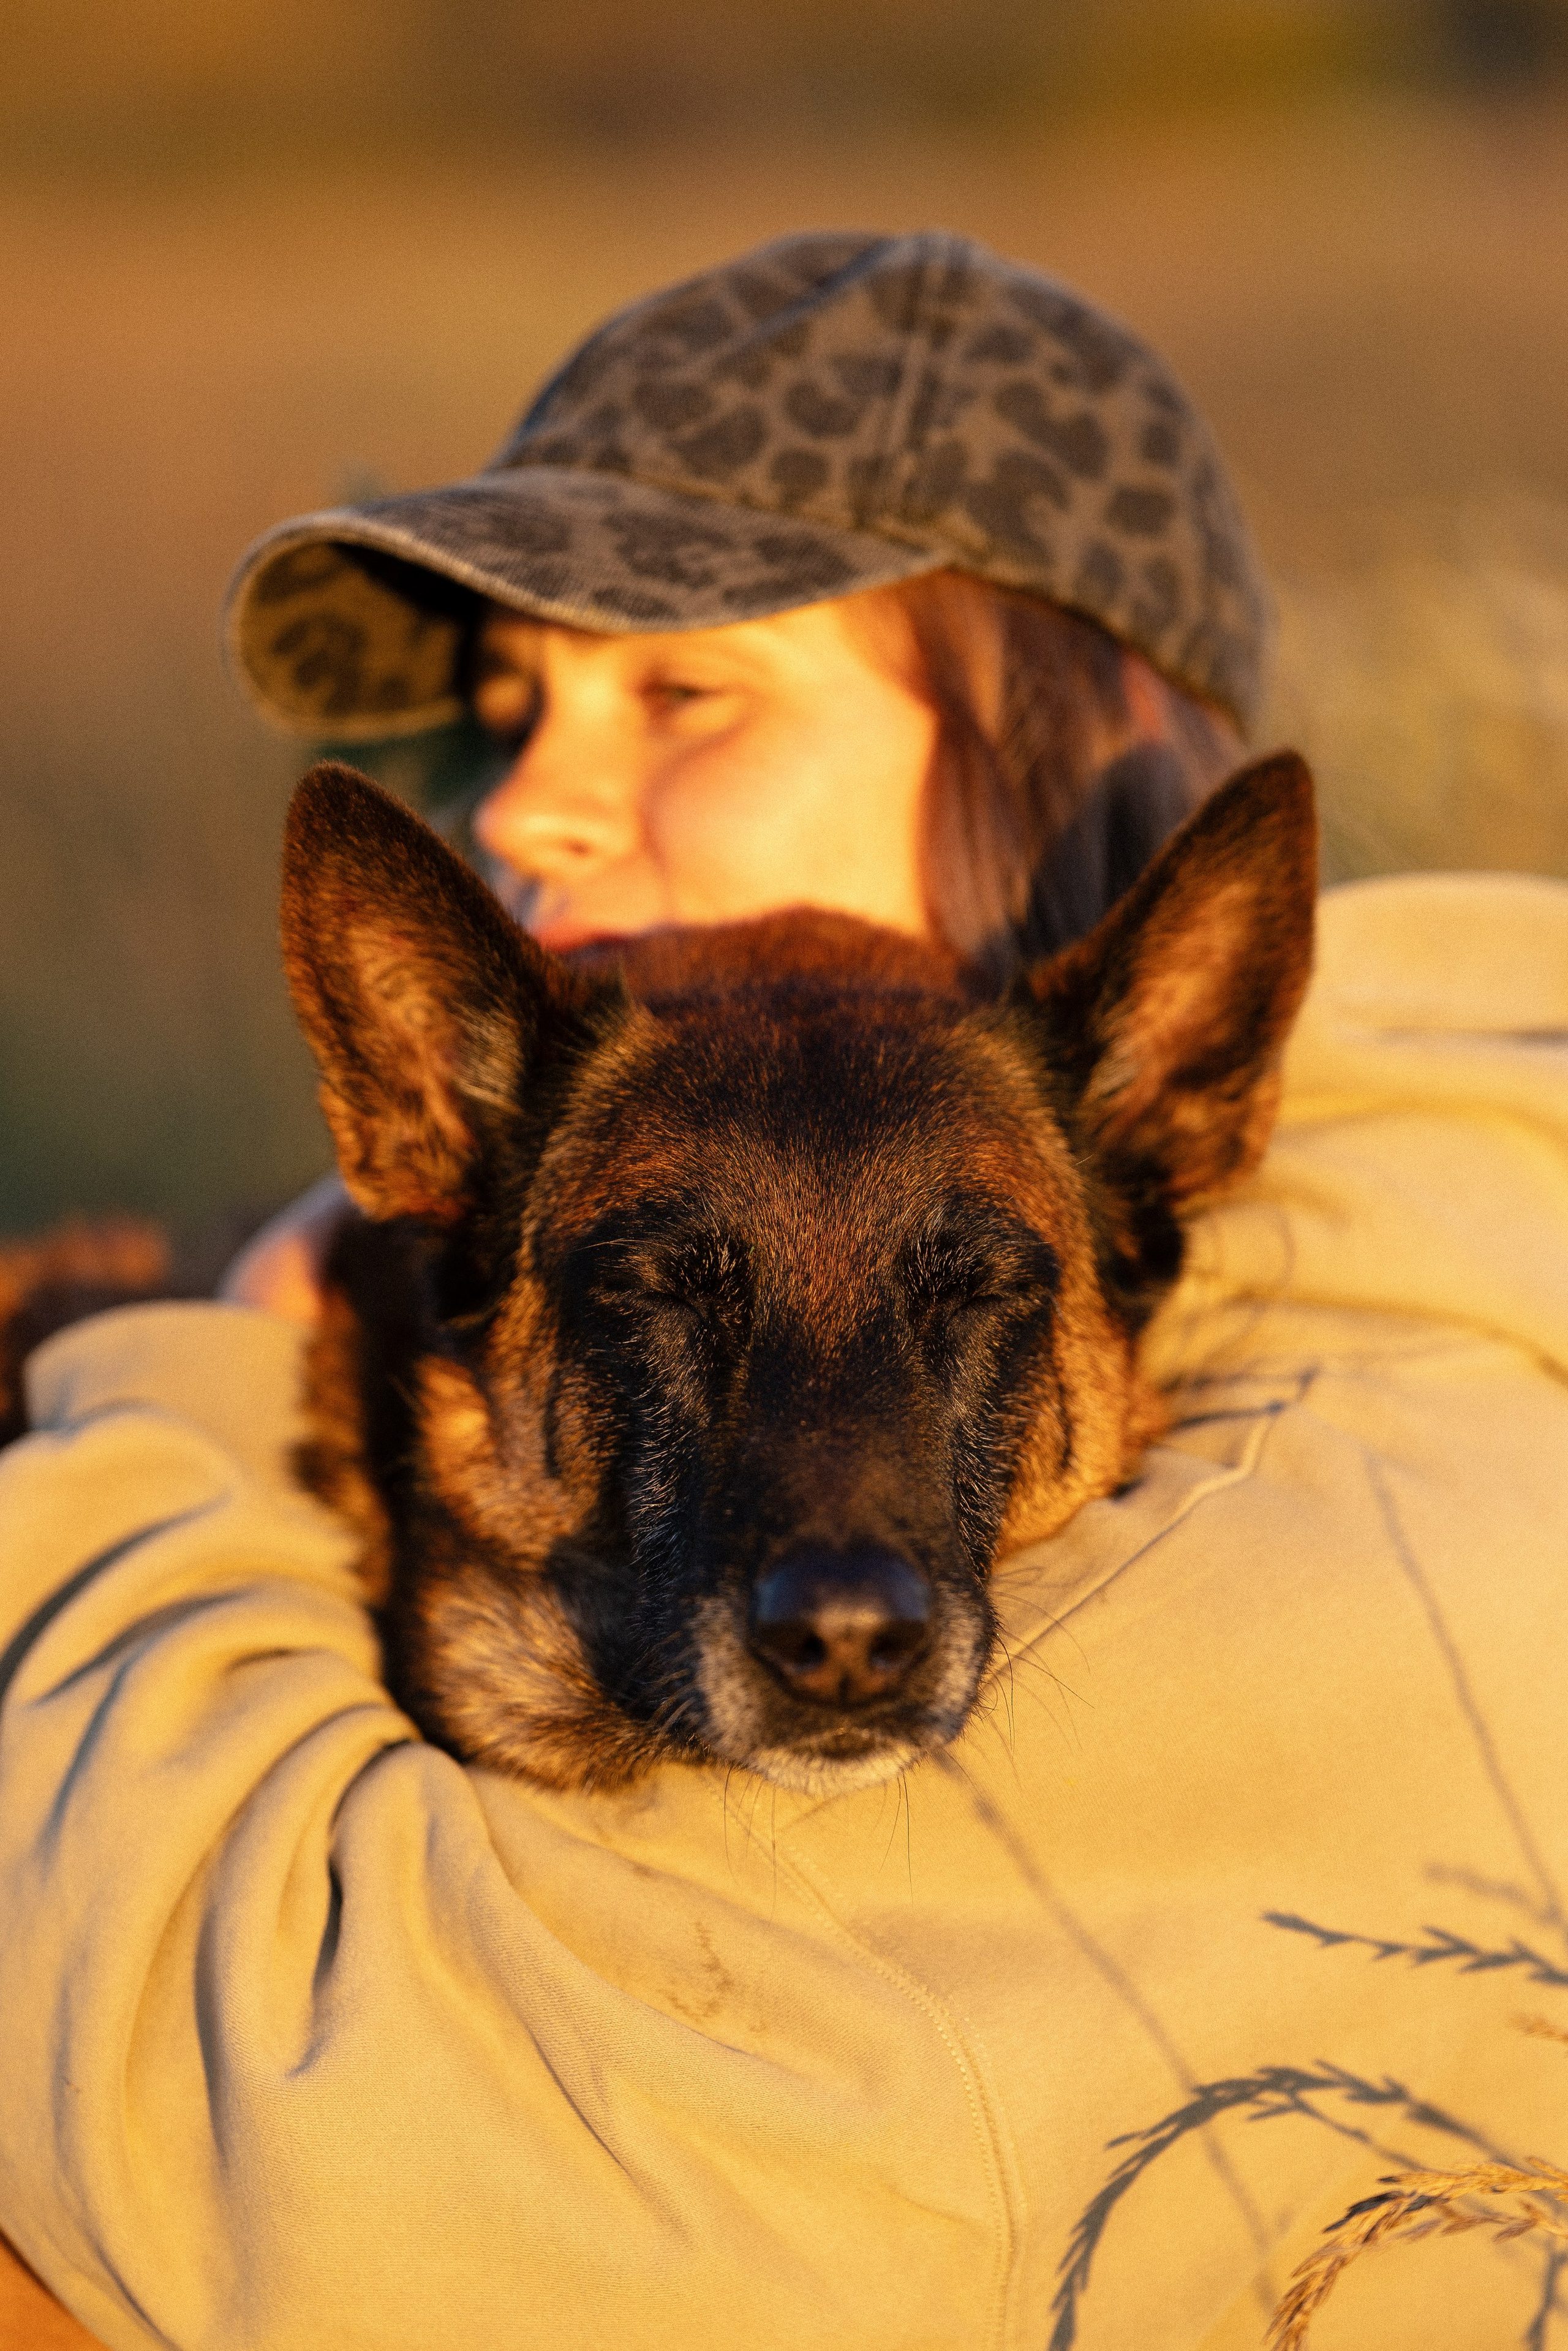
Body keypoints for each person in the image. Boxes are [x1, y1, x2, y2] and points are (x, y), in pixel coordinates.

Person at [2, 232, 1566, 2351]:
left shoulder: (1356, 1509)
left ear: (1077, 748)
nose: (533, 809)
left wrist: (165, 1394)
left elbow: (362, 2198)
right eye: (505, 713)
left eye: (685, 693)